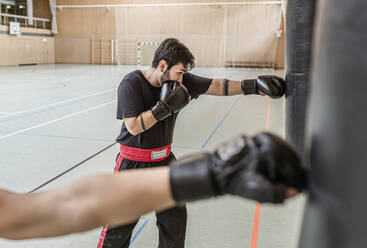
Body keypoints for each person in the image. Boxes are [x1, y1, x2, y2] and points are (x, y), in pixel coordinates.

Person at [101, 38, 287, 248]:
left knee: (175, 223)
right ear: (163, 66)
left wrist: (254, 86)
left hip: (164, 162)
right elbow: (134, 126)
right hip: (132, 165)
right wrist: (162, 109)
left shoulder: (178, 81)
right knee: (118, 230)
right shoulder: (131, 83)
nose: (182, 79)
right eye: (179, 72)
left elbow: (216, 85)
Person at [0, 133, 306, 241]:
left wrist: (212, 173)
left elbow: (66, 205)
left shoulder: (181, 79)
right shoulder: (132, 85)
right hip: (135, 160)